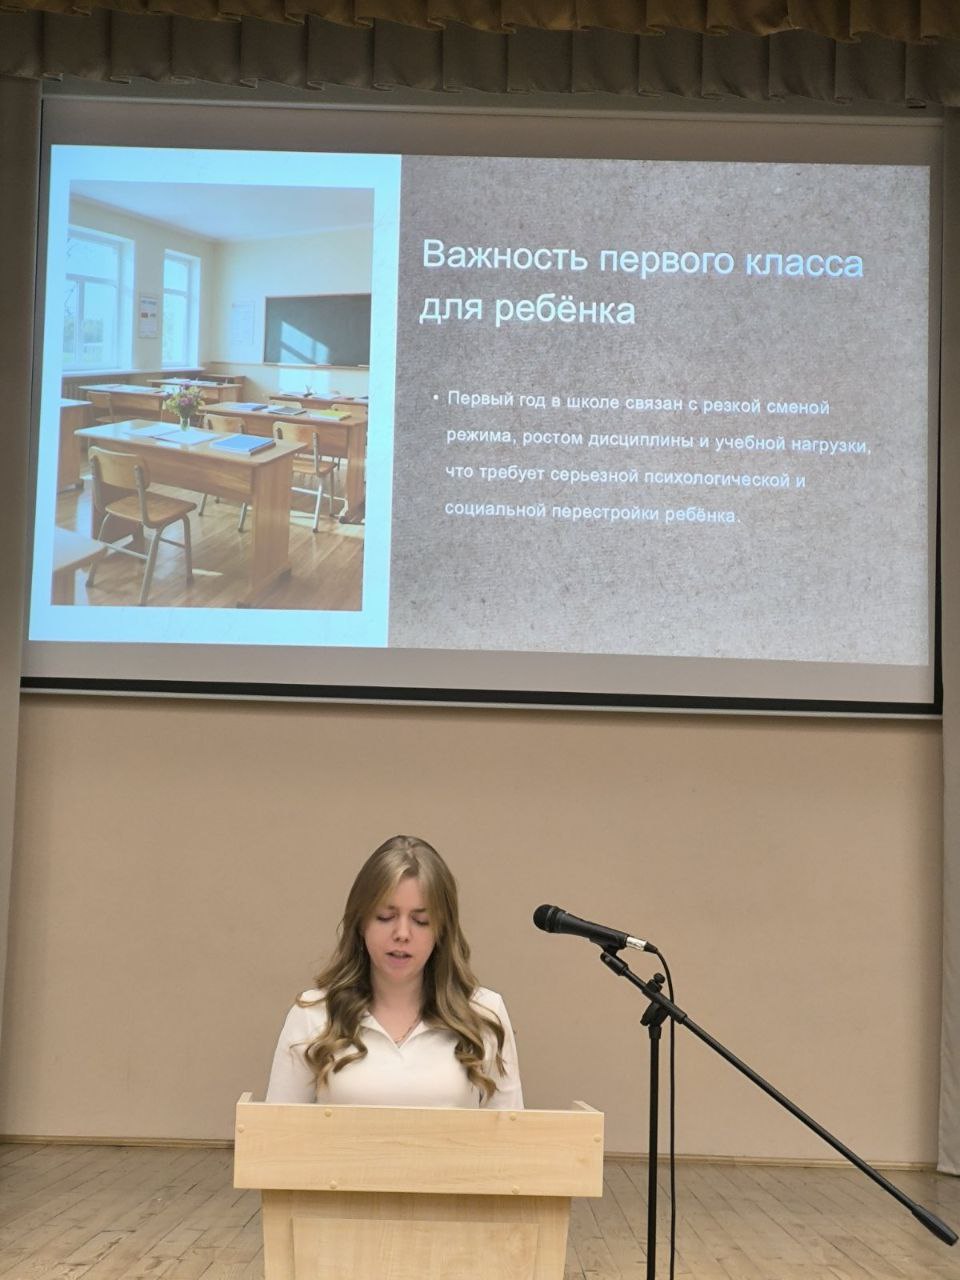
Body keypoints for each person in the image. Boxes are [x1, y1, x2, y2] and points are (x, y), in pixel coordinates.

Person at [265, 835, 523, 1109]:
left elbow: (512, 1130)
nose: (402, 934)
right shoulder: (312, 1015)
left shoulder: (484, 1013)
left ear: (441, 930)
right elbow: (274, 1132)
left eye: (421, 921)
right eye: (385, 917)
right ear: (361, 922)